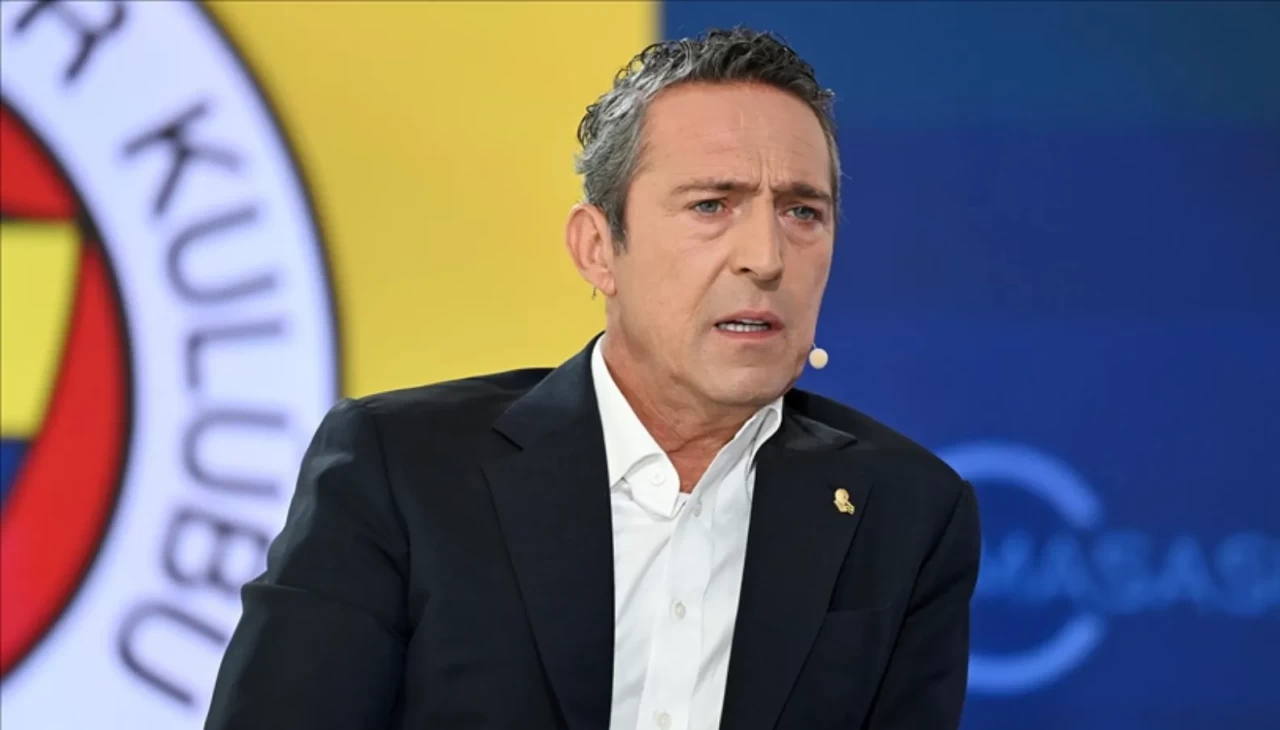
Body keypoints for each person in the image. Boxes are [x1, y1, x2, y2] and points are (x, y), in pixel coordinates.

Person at [204, 27, 980, 730]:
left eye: (802, 212)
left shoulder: (905, 512)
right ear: (598, 249)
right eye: (713, 205)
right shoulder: (401, 470)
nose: (766, 257)